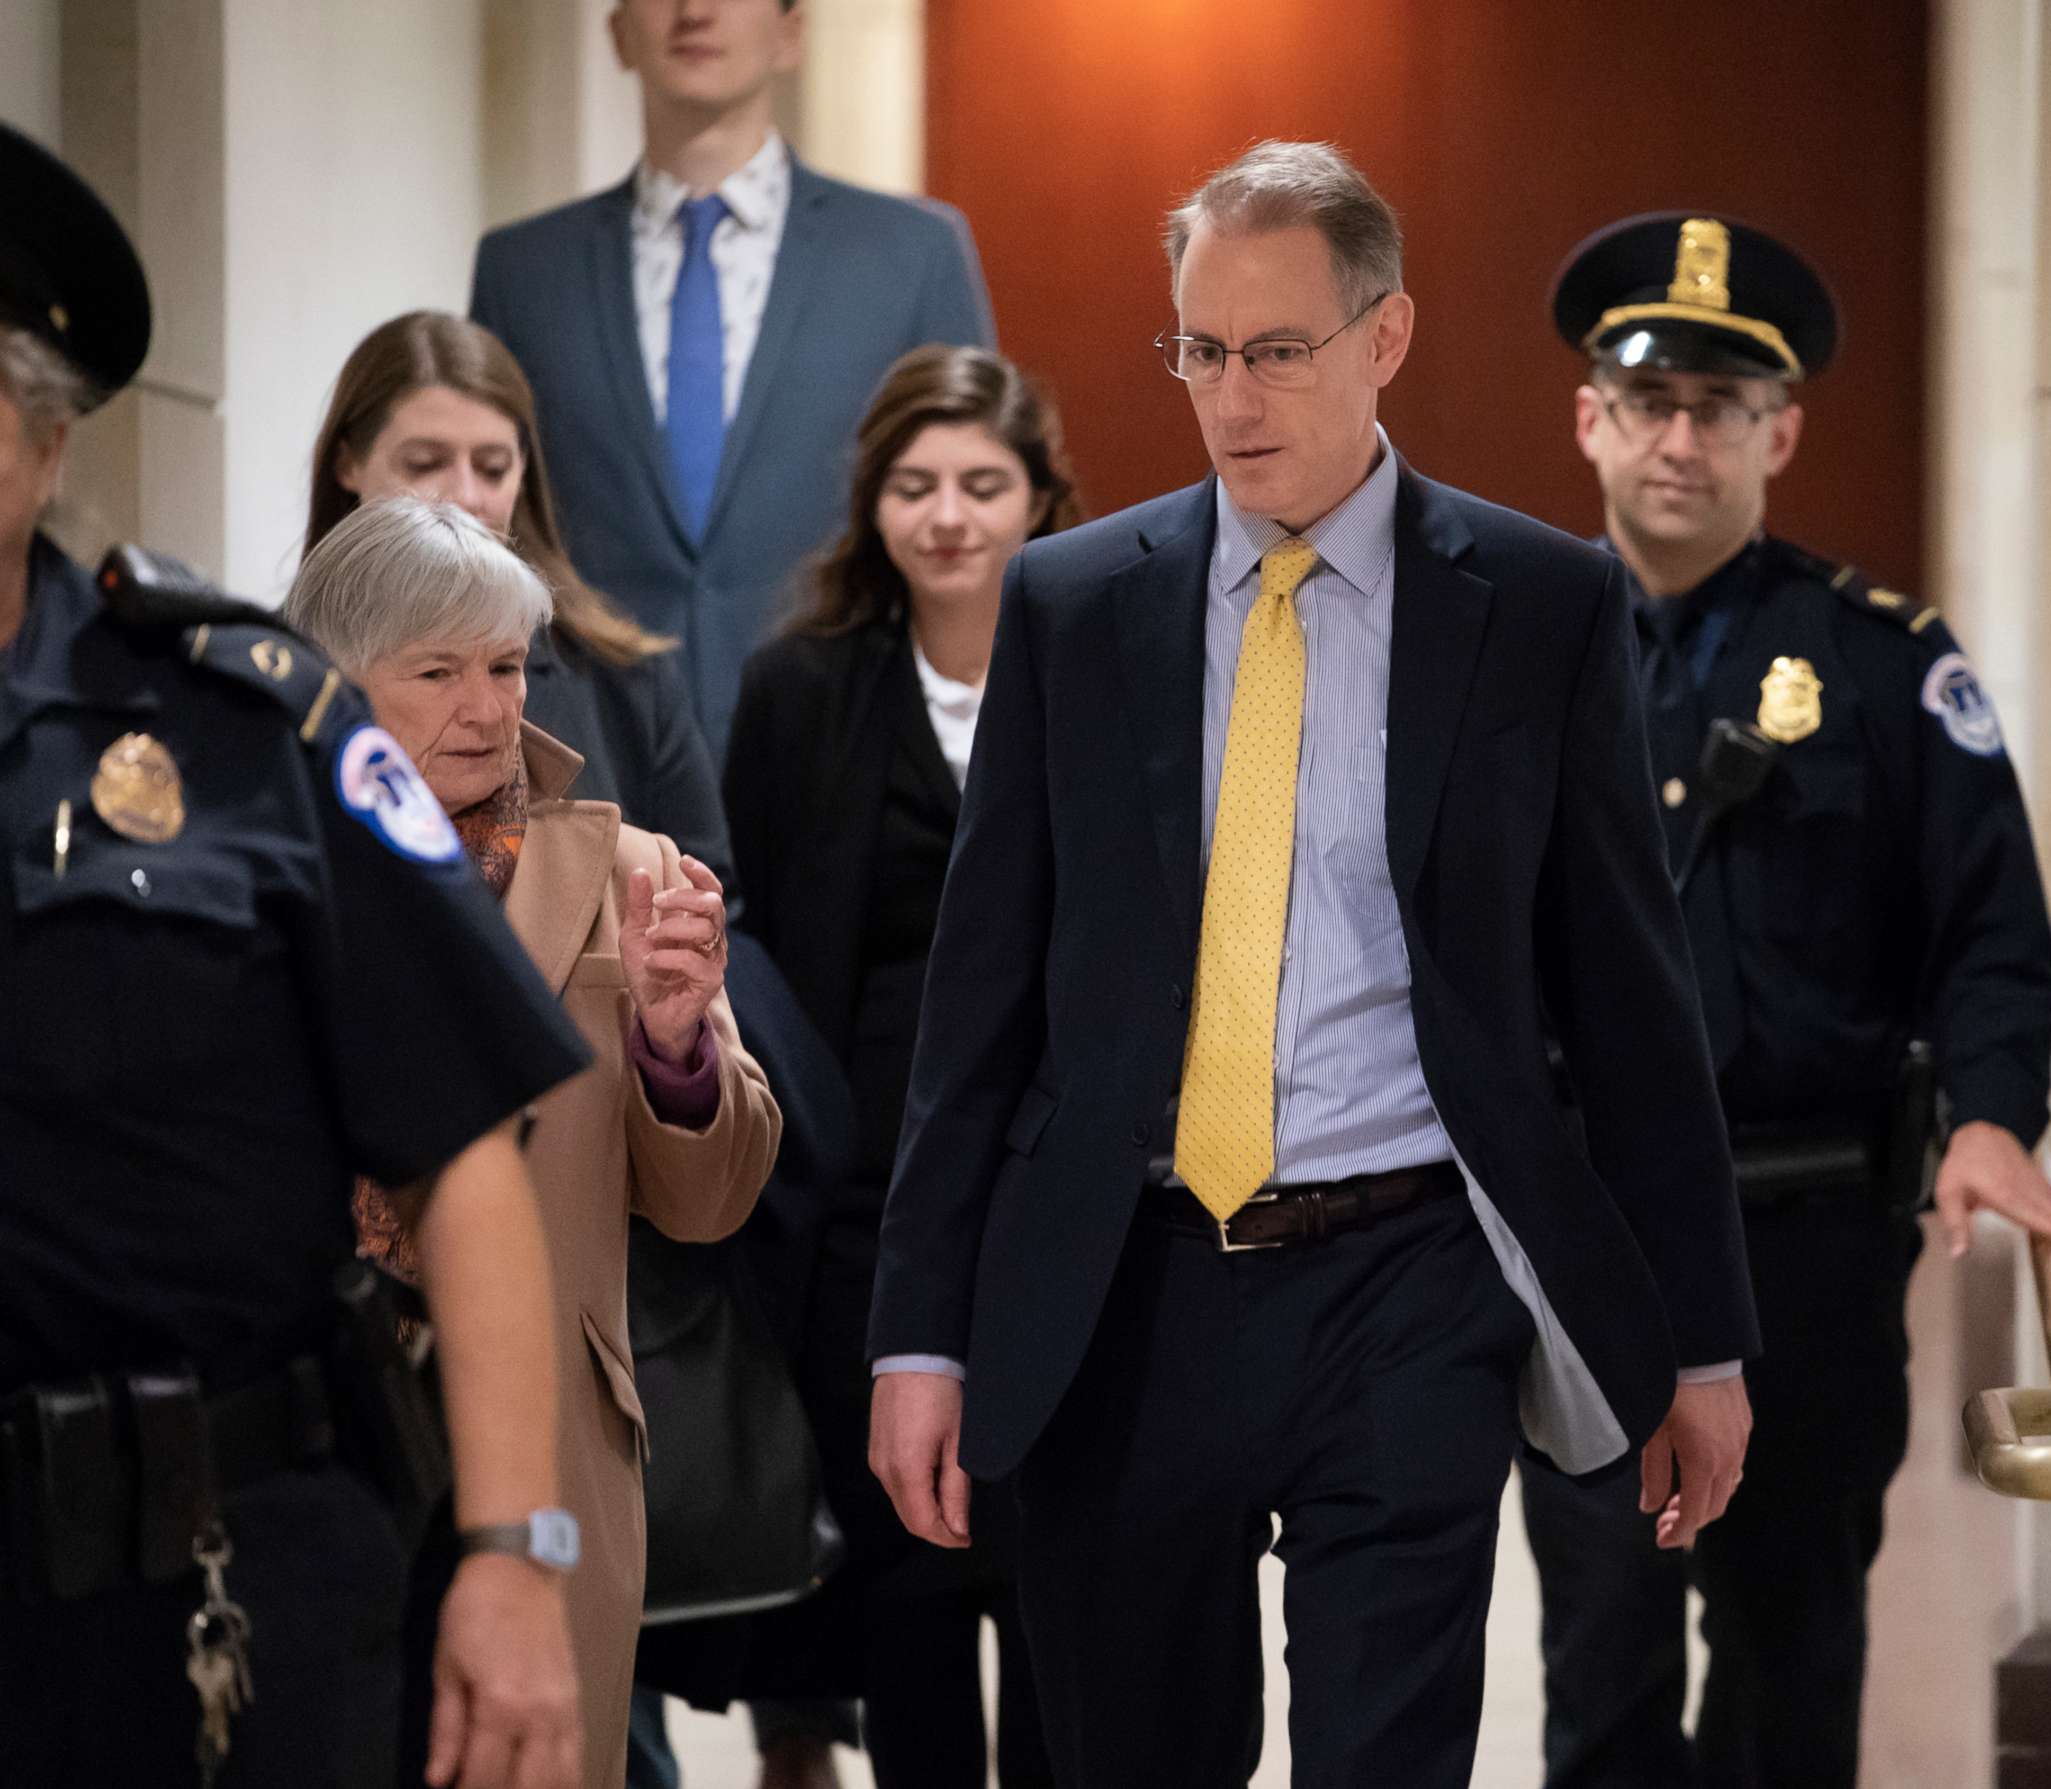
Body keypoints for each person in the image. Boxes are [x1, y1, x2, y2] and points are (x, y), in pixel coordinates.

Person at [866, 141, 1759, 1789]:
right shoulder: (1070, 604)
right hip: (1127, 1279)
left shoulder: (1537, 604)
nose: (1233, 396)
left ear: (1384, 338)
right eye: (1201, 349)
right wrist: (916, 1334)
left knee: (1384, 1753)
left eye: (1276, 349)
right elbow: (973, 1009)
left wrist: (1699, 1342)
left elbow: (1635, 1003)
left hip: (1405, 1272)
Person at [0, 124, 589, 1789]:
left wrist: (513, 1551)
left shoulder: (256, 726)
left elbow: (467, 1142)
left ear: (46, 441)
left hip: (206, 1569)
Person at [1519, 212, 2051, 1789]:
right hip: (1592, 1244)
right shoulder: (1504, 659)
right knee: (1604, 1654)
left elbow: (1990, 931)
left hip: (1811, 1248)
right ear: (1592, 421)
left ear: (1784, 431)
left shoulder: (1888, 666)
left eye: (1722, 405)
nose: (1682, 437)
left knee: (1790, 1652)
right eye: (1649, 400)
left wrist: (1989, 1118)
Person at [284, 495, 784, 1789]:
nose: (487, 708)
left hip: (552, 1451)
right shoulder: (265, 868)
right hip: (308, 1440)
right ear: (339, 682)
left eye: (505, 668)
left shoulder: (628, 871)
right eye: (438, 671)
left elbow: (710, 1200)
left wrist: (678, 1049)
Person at [723, 343, 1077, 1789]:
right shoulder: (798, 688)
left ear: (1042, 500)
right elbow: (761, 950)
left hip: (1060, 1189)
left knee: (1055, 1568)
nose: (949, 517)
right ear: (873, 505)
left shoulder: (1109, 669)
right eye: (916, 485)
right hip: (865, 1195)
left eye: (984, 485)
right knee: (907, 1572)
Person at [470, 0, 995, 749]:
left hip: (851, 746)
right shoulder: (523, 271)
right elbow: (489, 527)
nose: (695, 10)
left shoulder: (913, 255)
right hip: (598, 746)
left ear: (791, 32)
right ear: (618, 33)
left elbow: (982, 508)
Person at [308, 310, 733, 884]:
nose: (464, 496)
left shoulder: (627, 680)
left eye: (492, 467)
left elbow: (713, 906)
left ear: (523, 474)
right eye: (426, 463)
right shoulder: (276, 669)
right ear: (347, 464)